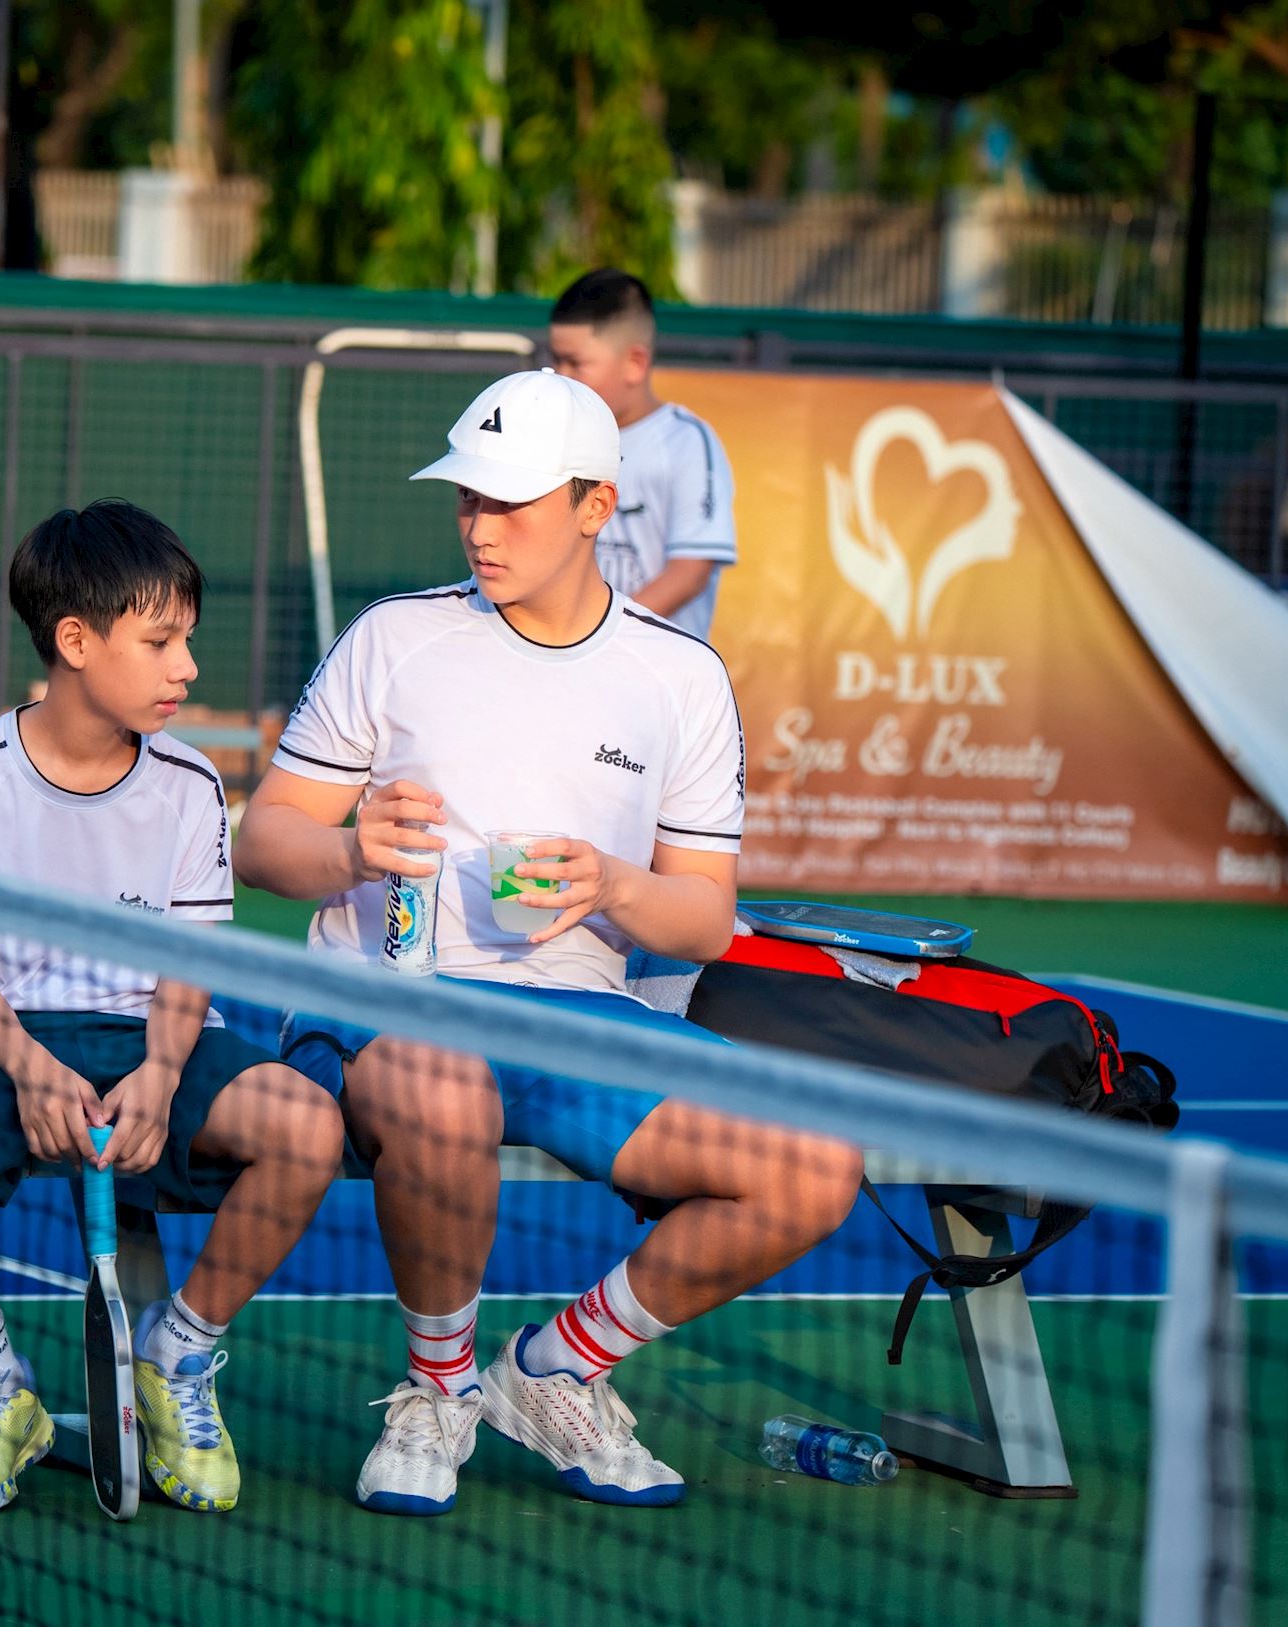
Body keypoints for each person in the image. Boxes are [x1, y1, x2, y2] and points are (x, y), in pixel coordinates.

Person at [234, 370, 861, 1516]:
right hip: (393, 1005)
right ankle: (437, 1388)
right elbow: (263, 839)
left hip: (583, 1016)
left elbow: (705, 917)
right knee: (444, 1088)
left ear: (593, 505)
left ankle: (560, 1365)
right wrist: (351, 852)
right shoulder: (394, 636)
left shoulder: (679, 674)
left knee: (815, 1167)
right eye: (467, 499)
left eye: (509, 503)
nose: (478, 525)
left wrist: (617, 884)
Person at [0, 499, 345, 1517]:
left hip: (158, 1040)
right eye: (161, 641)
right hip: (2, 1033)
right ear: (75, 642)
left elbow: (187, 969)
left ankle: (177, 1354)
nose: (186, 666)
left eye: (187, 639)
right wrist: (30, 1068)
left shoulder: (187, 780)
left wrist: (165, 1071)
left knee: (307, 1123)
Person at [548, 267, 737, 643]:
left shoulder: (686, 441)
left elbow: (690, 572)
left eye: (576, 363)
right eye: (555, 359)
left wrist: (602, 636)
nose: (559, 375)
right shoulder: (554, 436)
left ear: (634, 363)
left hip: (653, 668)